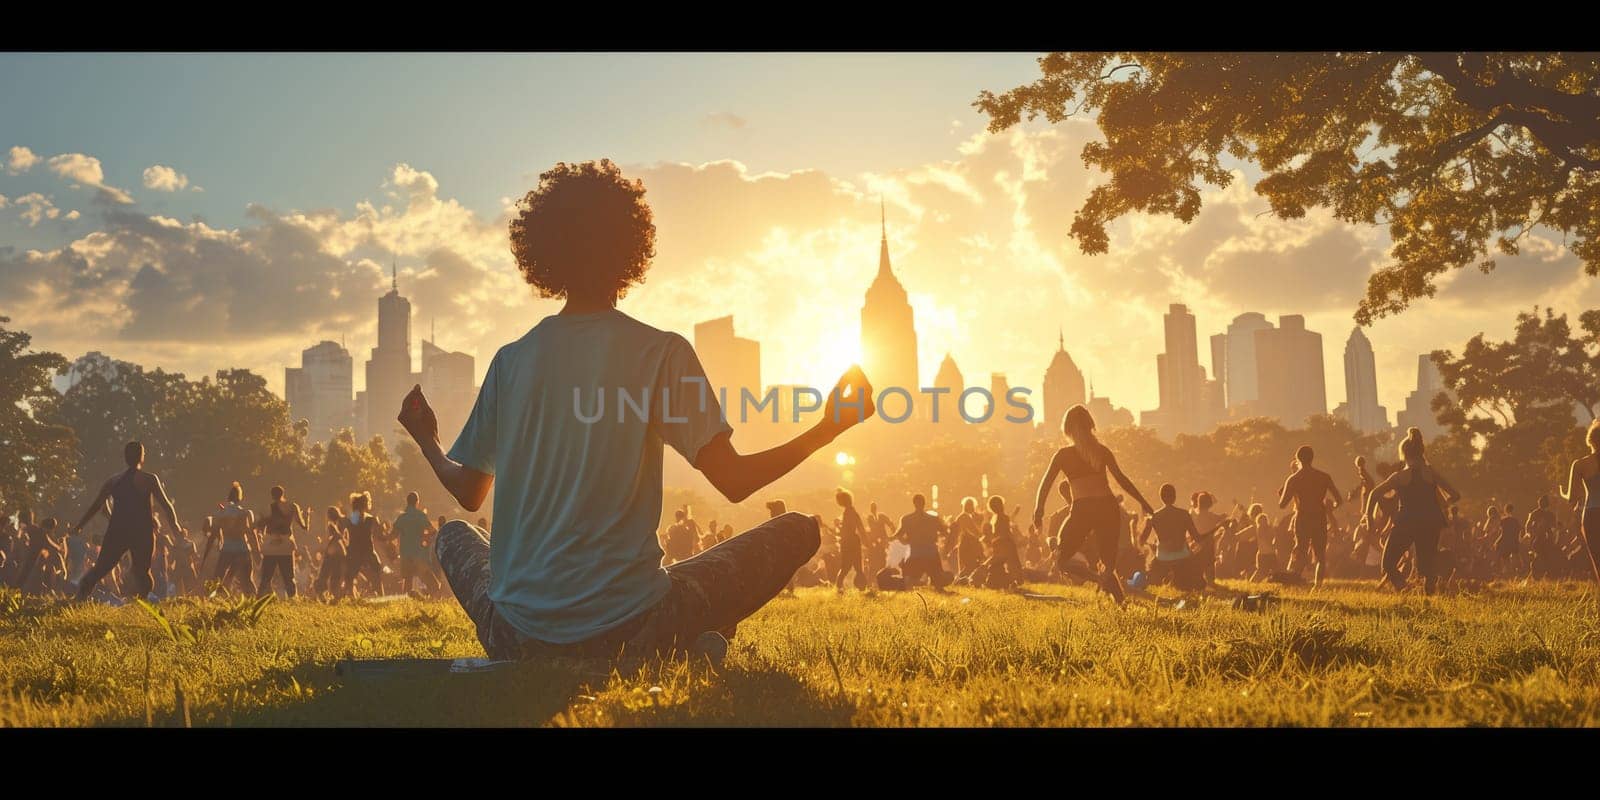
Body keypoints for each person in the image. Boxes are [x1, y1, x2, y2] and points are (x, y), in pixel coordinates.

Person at [396, 159, 873, 661]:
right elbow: (734, 482)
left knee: (453, 535)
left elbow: (470, 495)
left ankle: (675, 643)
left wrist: (427, 439)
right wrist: (828, 427)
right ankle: (685, 643)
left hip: (514, 637)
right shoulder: (660, 353)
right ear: (630, 248)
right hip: (628, 630)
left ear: (545, 252)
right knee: (798, 529)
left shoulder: (509, 362)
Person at [1033, 404, 1155, 604]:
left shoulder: (1064, 455)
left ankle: (1101, 582)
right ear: (1090, 426)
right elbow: (1122, 480)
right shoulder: (1101, 451)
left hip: (1084, 509)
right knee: (1107, 564)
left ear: (1068, 429)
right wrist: (1143, 502)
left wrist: (1039, 510)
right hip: (1107, 507)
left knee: (1062, 560)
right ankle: (1119, 601)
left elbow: (1045, 484)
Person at [70, 441, 185, 602]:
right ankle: (138, 600)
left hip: (118, 531)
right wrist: (176, 529)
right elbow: (167, 506)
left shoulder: (114, 481)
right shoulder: (149, 479)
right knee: (142, 571)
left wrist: (80, 526)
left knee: (102, 568)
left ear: (125, 458)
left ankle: (81, 596)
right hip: (141, 532)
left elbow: (96, 506)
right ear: (142, 457)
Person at [1364, 428, 1460, 594]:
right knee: (1427, 567)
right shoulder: (1431, 473)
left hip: (1406, 522)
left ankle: (1403, 587)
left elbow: (1374, 493)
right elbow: (1455, 495)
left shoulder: (1400, 476)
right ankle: (1429, 598)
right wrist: (1442, 504)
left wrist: (1369, 520)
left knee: (1388, 563)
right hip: (1430, 521)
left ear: (1404, 454)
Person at [1277, 445, 1342, 587]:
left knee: (1301, 550)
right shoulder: (1324, 477)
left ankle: (1293, 581)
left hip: (1303, 519)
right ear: (1312, 458)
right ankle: (1317, 586)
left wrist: (1283, 493)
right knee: (1320, 555)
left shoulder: (1294, 479)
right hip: (1319, 518)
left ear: (1298, 459)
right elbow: (1339, 500)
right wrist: (1329, 509)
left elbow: (1282, 504)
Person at [1140, 484, 1205, 592]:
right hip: (1182, 557)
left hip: (1162, 557)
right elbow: (1197, 537)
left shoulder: (1155, 516)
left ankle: (1169, 578)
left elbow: (1141, 540)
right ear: (1174, 497)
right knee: (1197, 583)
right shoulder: (1184, 514)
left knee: (1154, 578)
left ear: (1161, 498)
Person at [1559, 419, 1600, 583]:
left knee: (1597, 559)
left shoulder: (1580, 464)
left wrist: (1562, 492)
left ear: (1590, 440)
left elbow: (1572, 498)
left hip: (1592, 515)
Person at [255, 486, 308, 599]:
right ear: (283, 494)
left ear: (272, 495)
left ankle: (258, 598)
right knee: (289, 577)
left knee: (266, 577)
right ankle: (293, 599)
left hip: (271, 545)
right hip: (286, 545)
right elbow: (304, 526)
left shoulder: (268, 508)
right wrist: (307, 516)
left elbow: (259, 525)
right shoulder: (293, 507)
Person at [208, 482, 258, 595]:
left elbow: (215, 531)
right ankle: (254, 600)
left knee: (218, 577)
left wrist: (218, 543)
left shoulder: (221, 513)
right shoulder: (245, 513)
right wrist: (257, 550)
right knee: (247, 579)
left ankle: (214, 598)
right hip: (242, 549)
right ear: (240, 497)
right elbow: (249, 533)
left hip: (227, 549)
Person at [893, 494, 951, 588]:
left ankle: (916, 582)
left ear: (914, 503)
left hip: (915, 555)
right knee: (939, 580)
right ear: (924, 503)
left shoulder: (907, 519)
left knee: (908, 579)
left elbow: (898, 535)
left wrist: (907, 542)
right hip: (931, 554)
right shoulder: (933, 519)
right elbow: (945, 532)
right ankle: (936, 581)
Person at [391, 492, 439, 596]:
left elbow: (392, 536)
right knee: (434, 585)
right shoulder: (420, 516)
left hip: (405, 556)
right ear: (417, 502)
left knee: (408, 583)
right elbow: (433, 532)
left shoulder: (402, 517)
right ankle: (428, 601)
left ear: (407, 502)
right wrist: (426, 539)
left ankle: (406, 606)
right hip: (419, 556)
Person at [343, 492, 385, 597]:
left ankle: (349, 596)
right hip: (366, 550)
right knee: (376, 573)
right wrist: (380, 526)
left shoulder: (354, 517)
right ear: (364, 504)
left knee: (350, 577)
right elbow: (379, 534)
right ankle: (380, 595)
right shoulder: (369, 518)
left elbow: (349, 530)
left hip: (355, 550)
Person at [979, 495, 1024, 589]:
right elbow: (1005, 532)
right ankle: (1012, 580)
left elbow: (1000, 533)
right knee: (1012, 564)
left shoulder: (997, 518)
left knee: (1010, 565)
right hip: (1005, 543)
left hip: (1002, 544)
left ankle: (1011, 580)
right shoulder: (1001, 517)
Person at [833, 489, 867, 591]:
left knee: (846, 567)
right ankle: (861, 587)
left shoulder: (848, 512)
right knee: (857, 567)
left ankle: (839, 587)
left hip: (848, 542)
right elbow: (860, 527)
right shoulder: (851, 511)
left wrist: (838, 526)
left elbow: (851, 528)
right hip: (853, 541)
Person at [314, 507, 348, 599]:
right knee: (335, 576)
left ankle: (325, 595)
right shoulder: (340, 524)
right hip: (339, 552)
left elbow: (336, 536)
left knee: (324, 575)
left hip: (333, 553)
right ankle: (335, 596)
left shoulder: (331, 525)